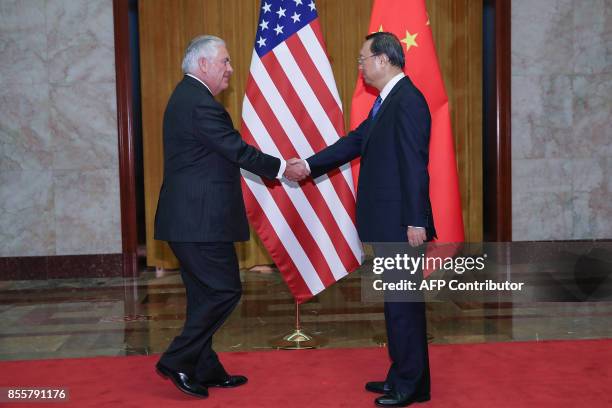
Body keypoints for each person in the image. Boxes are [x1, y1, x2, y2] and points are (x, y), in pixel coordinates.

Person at [153, 35, 307, 398]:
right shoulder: (198, 104)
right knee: (224, 291)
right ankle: (176, 359)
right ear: (203, 64)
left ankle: (204, 367)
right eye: (225, 61)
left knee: (204, 295)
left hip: (192, 221)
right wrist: (284, 167)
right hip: (199, 222)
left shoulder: (189, 98)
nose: (230, 69)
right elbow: (236, 150)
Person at [288, 32, 436, 407]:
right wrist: (308, 165)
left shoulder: (408, 101)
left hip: (402, 224)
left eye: (363, 58)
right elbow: (353, 143)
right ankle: (402, 375)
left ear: (383, 60)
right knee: (396, 302)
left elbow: (416, 166)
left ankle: (411, 384)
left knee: (404, 304)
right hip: (389, 222)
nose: (360, 66)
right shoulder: (388, 102)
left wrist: (417, 220)